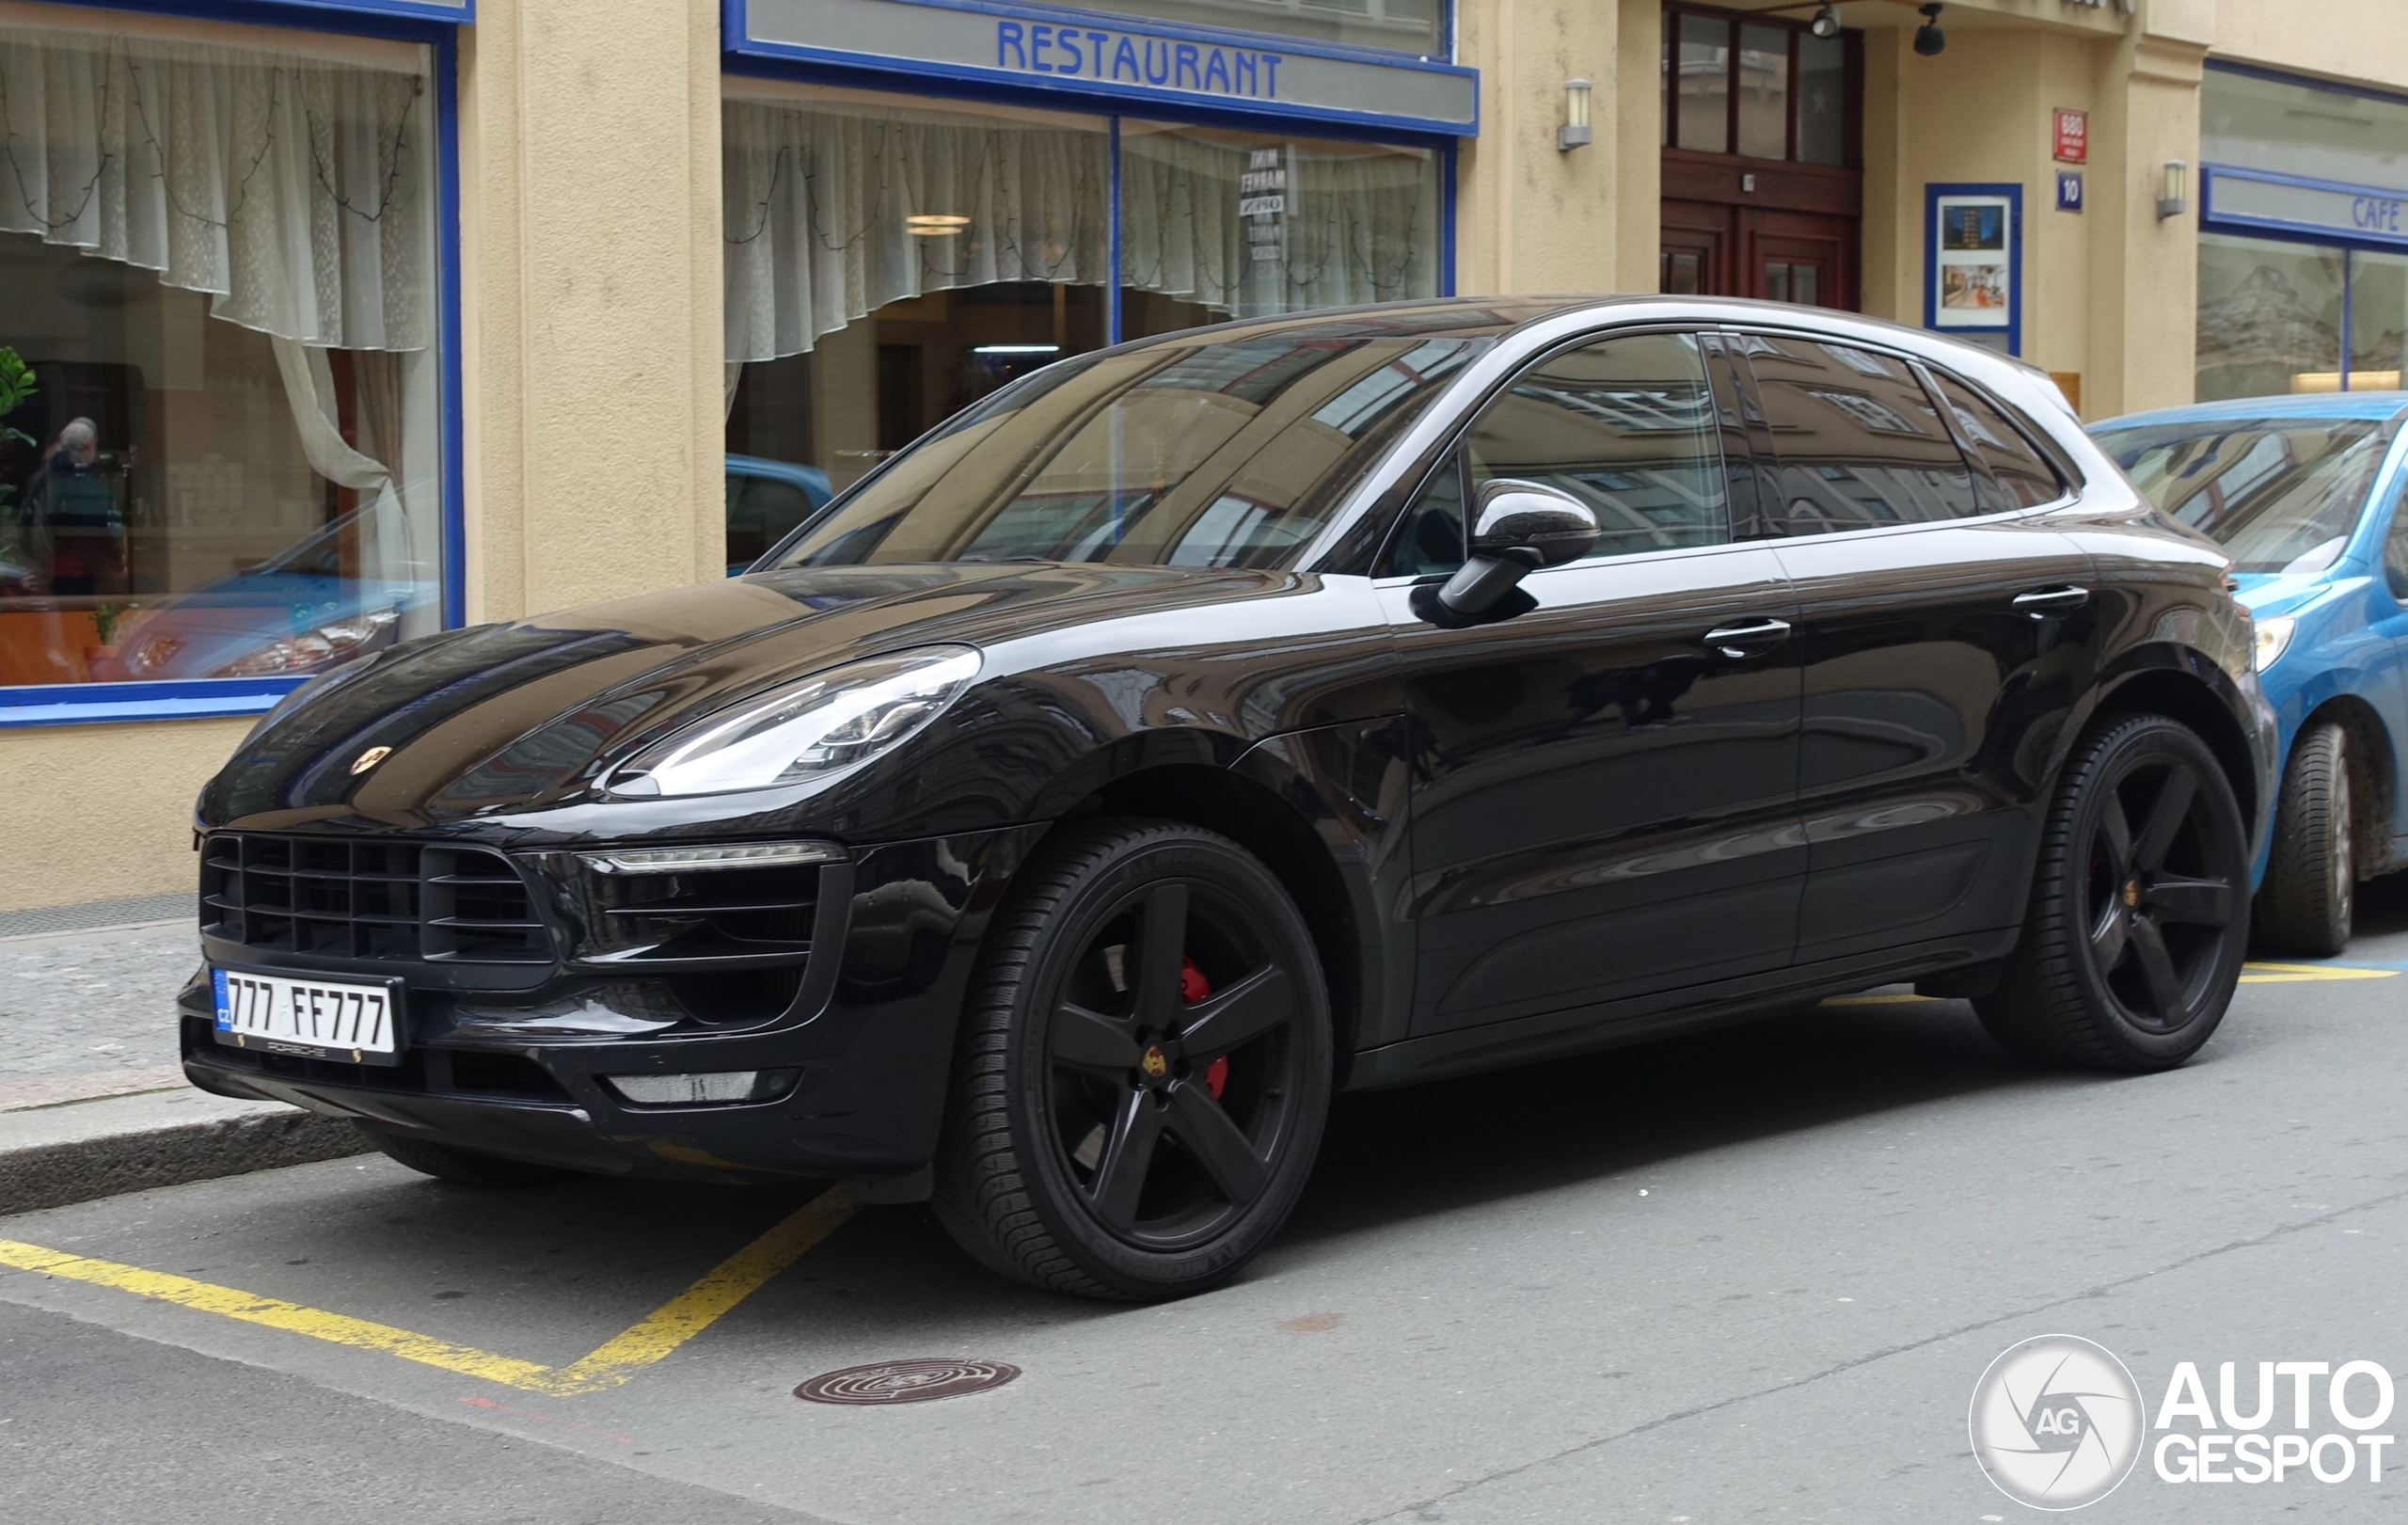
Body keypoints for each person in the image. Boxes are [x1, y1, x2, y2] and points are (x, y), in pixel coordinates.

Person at [19, 417, 125, 596]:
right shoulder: (81, 477)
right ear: (90, 444)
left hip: (44, 568)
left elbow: (25, 525)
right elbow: (96, 528)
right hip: (76, 569)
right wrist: (117, 564)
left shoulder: (40, 476)